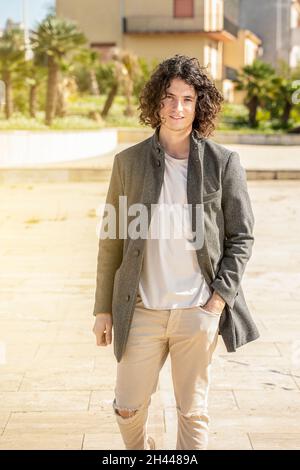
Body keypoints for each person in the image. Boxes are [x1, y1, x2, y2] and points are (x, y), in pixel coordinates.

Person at [92, 54, 260, 450]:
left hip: (197, 312)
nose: (177, 108)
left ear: (199, 104)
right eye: (168, 98)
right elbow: (111, 238)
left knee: (192, 411)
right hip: (142, 310)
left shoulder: (223, 163)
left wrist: (217, 303)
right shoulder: (128, 163)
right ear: (156, 103)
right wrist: (102, 308)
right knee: (128, 406)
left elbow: (242, 237)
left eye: (186, 98)